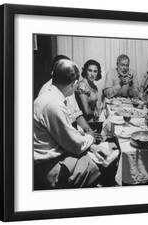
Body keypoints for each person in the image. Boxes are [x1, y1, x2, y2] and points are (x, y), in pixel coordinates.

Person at [34, 59, 104, 189]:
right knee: (102, 160)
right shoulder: (53, 104)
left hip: (55, 151)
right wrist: (91, 138)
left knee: (96, 152)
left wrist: (86, 136)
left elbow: (74, 116)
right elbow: (75, 145)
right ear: (74, 83)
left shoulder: (55, 91)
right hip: (48, 166)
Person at [38, 55, 95, 135]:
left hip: (74, 131)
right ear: (55, 72)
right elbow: (60, 132)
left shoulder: (67, 85)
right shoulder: (46, 91)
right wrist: (84, 138)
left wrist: (89, 130)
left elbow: (77, 114)